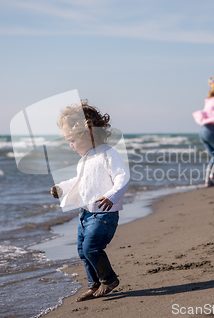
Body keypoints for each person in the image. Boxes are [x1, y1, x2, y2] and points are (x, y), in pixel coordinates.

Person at [50, 102, 130, 301]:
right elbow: (78, 182)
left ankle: (109, 279)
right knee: (82, 251)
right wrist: (61, 188)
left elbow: (123, 177)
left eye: (72, 140)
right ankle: (94, 285)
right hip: (85, 214)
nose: (71, 145)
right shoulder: (84, 159)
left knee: (91, 248)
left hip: (104, 215)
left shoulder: (108, 154)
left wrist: (112, 196)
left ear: (88, 133)